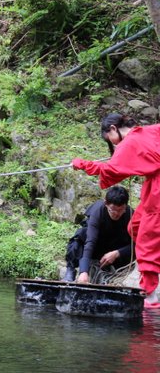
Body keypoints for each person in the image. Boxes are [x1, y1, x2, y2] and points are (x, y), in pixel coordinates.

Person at [72, 113, 160, 308]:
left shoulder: (130, 142)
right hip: (152, 186)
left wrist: (82, 164)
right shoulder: (150, 131)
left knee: (146, 238)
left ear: (113, 128)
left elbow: (112, 170)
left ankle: (151, 297)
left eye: (108, 139)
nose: (112, 144)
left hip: (158, 189)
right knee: (135, 226)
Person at [64, 186, 134, 283]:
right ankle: (70, 270)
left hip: (117, 249)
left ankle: (112, 275)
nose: (116, 214)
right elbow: (90, 242)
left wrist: (117, 253)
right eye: (113, 209)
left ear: (125, 206)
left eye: (120, 210)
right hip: (97, 244)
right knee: (78, 237)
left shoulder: (131, 215)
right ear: (106, 204)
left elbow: (138, 245)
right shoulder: (98, 211)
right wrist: (84, 271)